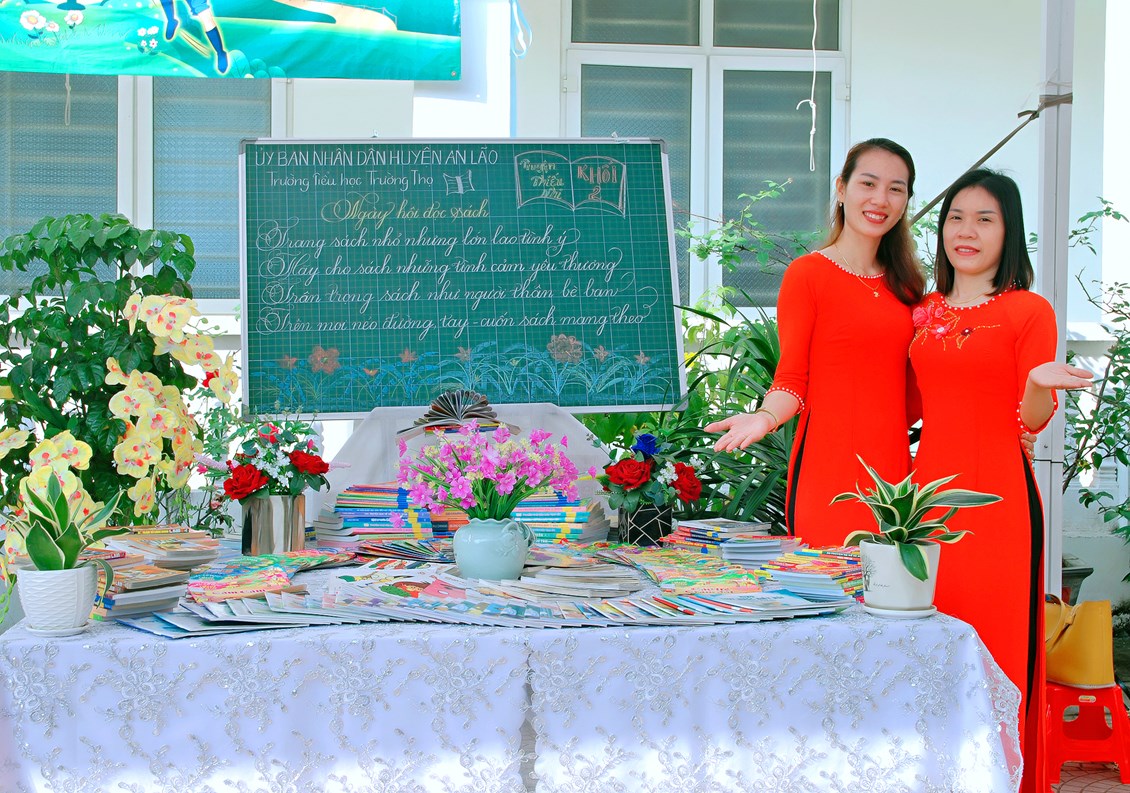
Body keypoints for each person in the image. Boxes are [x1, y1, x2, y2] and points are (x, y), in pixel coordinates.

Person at [909, 168, 1092, 793]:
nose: (967, 231)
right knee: (929, 646)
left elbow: (1030, 419)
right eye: (956, 218)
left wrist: (1038, 385)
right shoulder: (924, 311)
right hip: (923, 505)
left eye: (985, 219)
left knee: (998, 646)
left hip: (999, 503)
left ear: (1008, 230)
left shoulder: (1028, 310)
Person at [706, 138, 926, 546]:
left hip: (894, 476)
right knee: (829, 579)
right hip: (828, 468)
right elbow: (792, 378)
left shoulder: (910, 288)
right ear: (842, 188)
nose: (880, 199)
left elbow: (924, 389)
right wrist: (764, 418)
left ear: (905, 202)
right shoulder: (808, 274)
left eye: (895, 189)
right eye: (868, 184)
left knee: (893, 582)